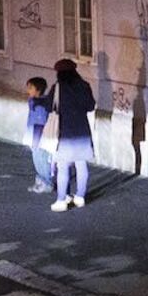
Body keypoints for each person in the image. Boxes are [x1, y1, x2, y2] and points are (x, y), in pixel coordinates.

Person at [47, 59, 96, 212]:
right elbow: (90, 106)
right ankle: (80, 197)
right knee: (81, 164)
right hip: (81, 130)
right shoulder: (84, 86)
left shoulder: (57, 88)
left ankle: (62, 200)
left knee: (63, 167)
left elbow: (50, 106)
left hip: (64, 132)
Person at [23, 77, 53, 194]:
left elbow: (41, 123)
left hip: (39, 136)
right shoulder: (33, 102)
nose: (28, 91)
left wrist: (37, 139)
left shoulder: (41, 104)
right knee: (36, 158)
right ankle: (40, 179)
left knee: (42, 159)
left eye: (31, 88)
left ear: (38, 90)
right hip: (33, 134)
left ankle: (47, 182)